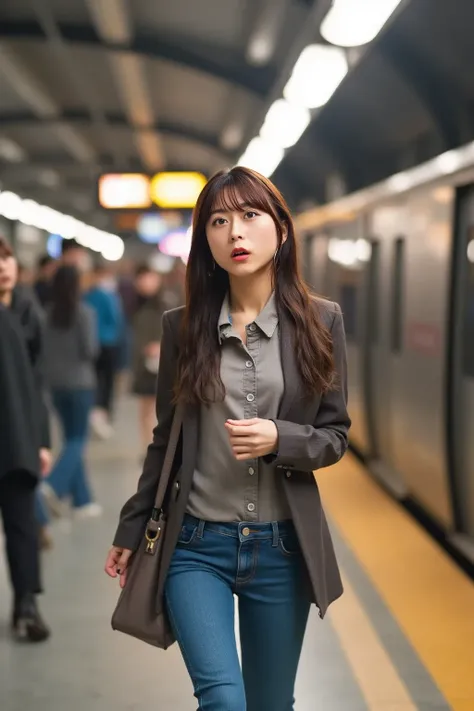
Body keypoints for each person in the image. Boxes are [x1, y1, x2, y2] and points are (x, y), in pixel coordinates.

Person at [105, 167, 351, 711]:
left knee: (270, 704)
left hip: (281, 547)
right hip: (195, 547)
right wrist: (132, 523)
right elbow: (165, 438)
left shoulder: (320, 321)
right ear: (206, 241)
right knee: (222, 701)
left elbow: (334, 436)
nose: (234, 232)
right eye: (218, 221)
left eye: (249, 215)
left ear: (280, 230)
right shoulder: (182, 327)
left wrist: (279, 437)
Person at [0, 236, 51, 643]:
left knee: (22, 524)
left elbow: (37, 384)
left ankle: (26, 604)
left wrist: (41, 440)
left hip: (17, 435)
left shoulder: (27, 311)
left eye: (6, 257)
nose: (3, 266)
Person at [39, 265, 102, 520]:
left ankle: (82, 500)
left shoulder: (46, 314)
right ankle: (53, 484)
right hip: (80, 383)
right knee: (78, 440)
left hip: (54, 384)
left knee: (70, 439)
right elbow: (90, 350)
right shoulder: (85, 313)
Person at [84, 262, 124, 438]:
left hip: (91, 344)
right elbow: (117, 319)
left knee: (94, 380)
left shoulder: (87, 296)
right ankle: (103, 414)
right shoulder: (109, 296)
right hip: (109, 343)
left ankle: (93, 411)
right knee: (107, 382)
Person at [130, 264, 166, 454]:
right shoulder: (134, 304)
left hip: (163, 363)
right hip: (143, 365)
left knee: (162, 407)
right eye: (142, 278)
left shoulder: (166, 303)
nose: (145, 282)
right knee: (144, 409)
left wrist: (161, 345)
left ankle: (160, 445)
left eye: (149, 277)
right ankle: (147, 446)